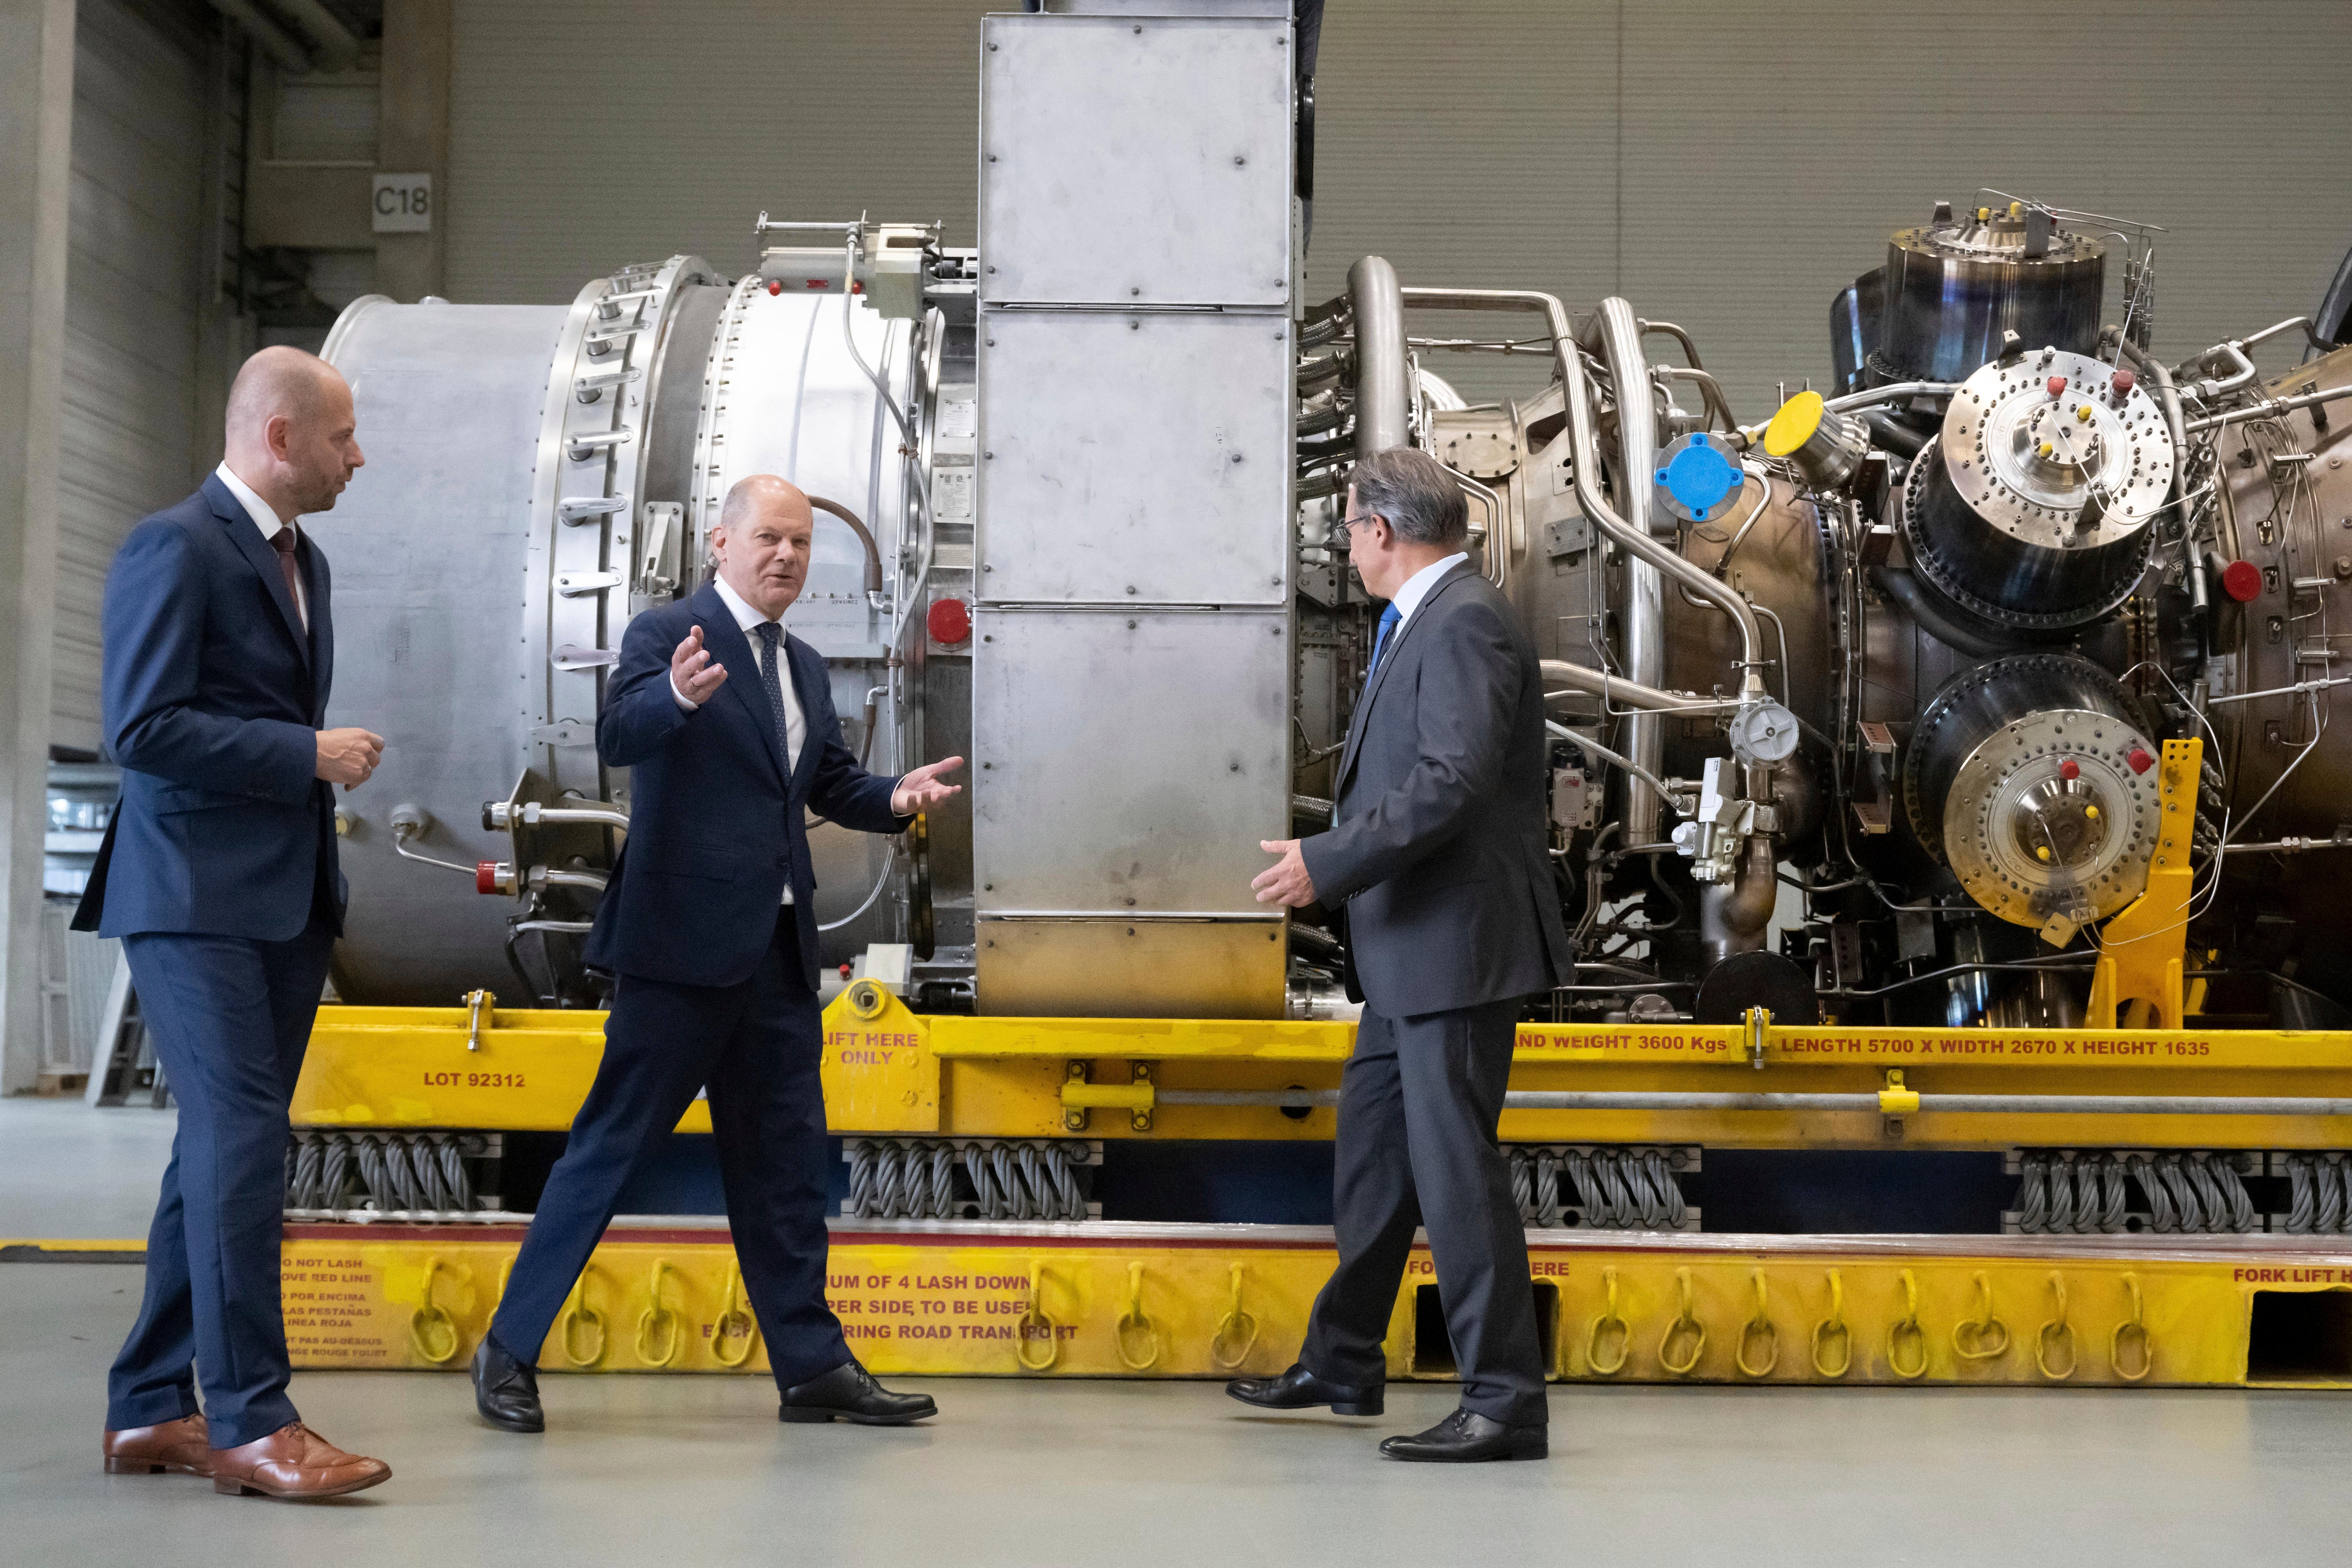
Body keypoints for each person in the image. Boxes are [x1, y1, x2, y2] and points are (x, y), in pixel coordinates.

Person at [470, 474, 963, 1433]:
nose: (786, 555)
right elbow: (620, 732)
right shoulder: (670, 635)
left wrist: (893, 797)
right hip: (677, 950)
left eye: (801, 543)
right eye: (769, 538)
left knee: (785, 1170)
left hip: (776, 955)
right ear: (721, 543)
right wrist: (681, 701)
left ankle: (812, 1367)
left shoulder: (805, 666)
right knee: (610, 1152)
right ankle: (509, 1347)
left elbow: (824, 784)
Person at [79, 347, 392, 1500]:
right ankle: (255, 1420)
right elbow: (145, 726)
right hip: (193, 898)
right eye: (343, 436)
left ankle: (149, 1403)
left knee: (211, 1149)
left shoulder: (304, 561)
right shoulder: (177, 545)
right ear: (278, 437)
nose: (358, 456)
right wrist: (302, 753)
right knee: (244, 1139)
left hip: (280, 897)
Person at [1233, 446, 1570, 1462]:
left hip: (1456, 949)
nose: (1346, 544)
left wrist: (1325, 862)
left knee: (1453, 1170)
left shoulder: (1462, 619)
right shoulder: (1425, 615)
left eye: (1348, 527)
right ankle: (1343, 1357)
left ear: (1380, 531)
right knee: (1376, 1157)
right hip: (1411, 951)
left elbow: (1452, 778)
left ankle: (1505, 1398)